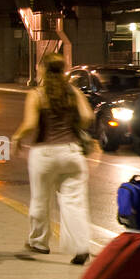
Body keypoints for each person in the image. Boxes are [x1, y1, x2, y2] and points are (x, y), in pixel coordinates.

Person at [11, 53, 93, 265]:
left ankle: (39, 242)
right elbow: (87, 117)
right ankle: (81, 246)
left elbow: (30, 124)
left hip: (44, 154)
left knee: (41, 198)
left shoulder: (38, 94)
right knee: (73, 202)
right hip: (72, 152)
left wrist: (17, 137)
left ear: (42, 70)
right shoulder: (73, 92)